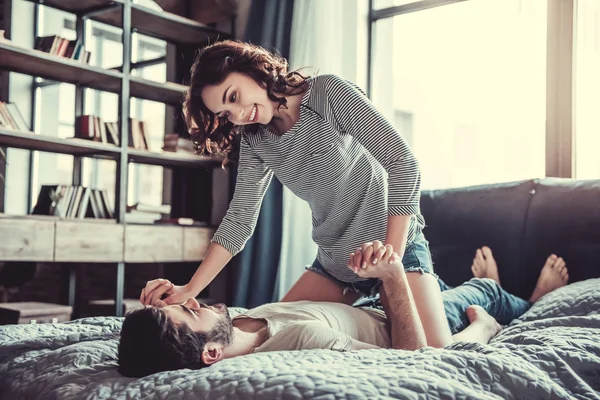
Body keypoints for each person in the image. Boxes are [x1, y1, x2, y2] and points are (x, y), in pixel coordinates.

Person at [140, 39, 451, 348]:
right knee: (258, 338)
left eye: (233, 97)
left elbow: (402, 162)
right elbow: (239, 220)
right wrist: (189, 289)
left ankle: (480, 300)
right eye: (225, 113)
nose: (237, 115)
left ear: (250, 69)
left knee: (433, 353)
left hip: (397, 251)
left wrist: (389, 259)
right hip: (336, 266)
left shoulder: (328, 94)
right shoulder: (254, 140)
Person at [120, 245, 569, 377]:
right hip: (397, 311)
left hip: (370, 300)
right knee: (480, 294)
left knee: (450, 283)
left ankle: (477, 285)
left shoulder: (233, 324)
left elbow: (189, 317)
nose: (194, 303)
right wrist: (393, 278)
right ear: (212, 355)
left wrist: (169, 302)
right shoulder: (302, 346)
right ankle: (532, 297)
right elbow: (413, 359)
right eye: (191, 313)